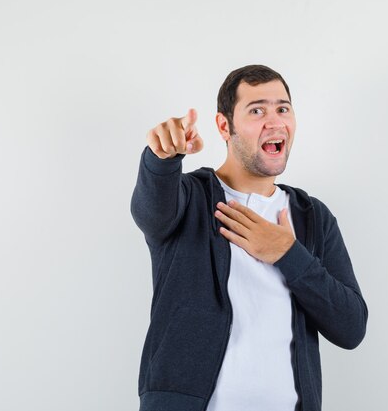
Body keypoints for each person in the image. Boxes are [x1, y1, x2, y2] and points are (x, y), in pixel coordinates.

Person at [130, 64, 368, 411]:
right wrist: (162, 159)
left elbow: (351, 327)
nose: (275, 122)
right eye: (257, 110)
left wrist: (289, 254)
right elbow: (150, 210)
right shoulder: (189, 198)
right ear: (225, 126)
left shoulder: (312, 216)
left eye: (282, 109)